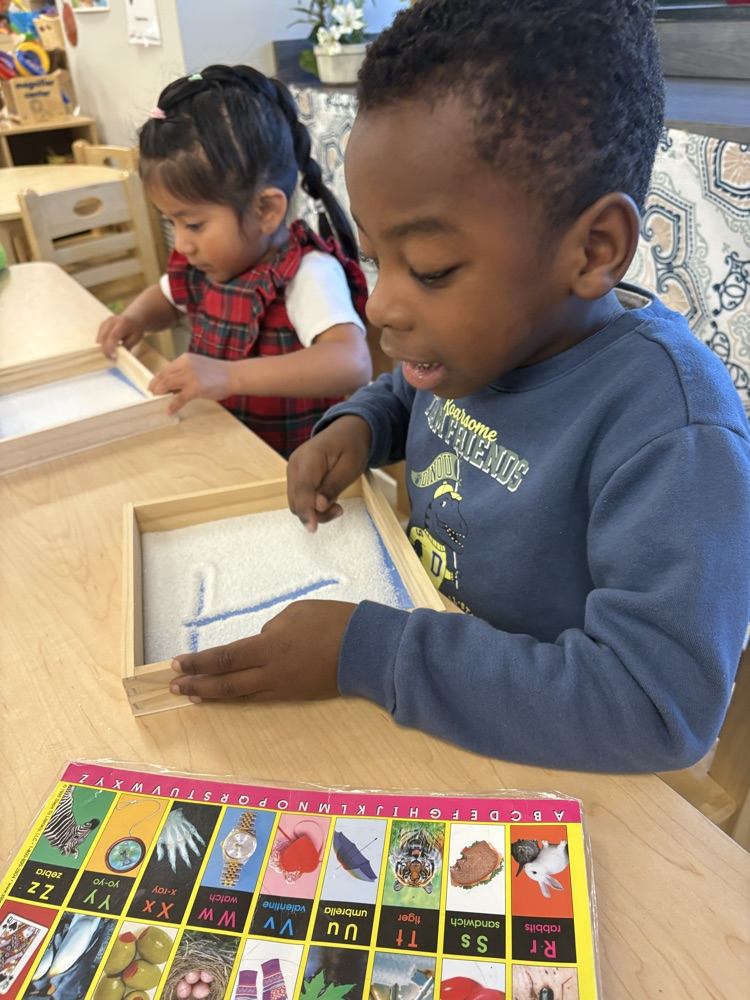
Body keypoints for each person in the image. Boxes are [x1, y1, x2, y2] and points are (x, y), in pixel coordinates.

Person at [167, 0, 750, 773]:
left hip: (559, 765)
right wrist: (361, 426)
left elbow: (654, 708)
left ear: (595, 248)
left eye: (432, 270)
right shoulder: (475, 344)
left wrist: (367, 651)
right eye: (377, 260)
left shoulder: (672, 432)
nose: (381, 306)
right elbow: (412, 396)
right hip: (429, 696)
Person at [97, 65, 372, 458]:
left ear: (266, 209)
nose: (183, 242)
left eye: (192, 223)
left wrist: (230, 376)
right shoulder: (204, 263)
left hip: (290, 468)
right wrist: (135, 319)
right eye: (170, 221)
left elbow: (352, 363)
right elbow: (165, 298)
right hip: (222, 449)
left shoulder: (308, 274)